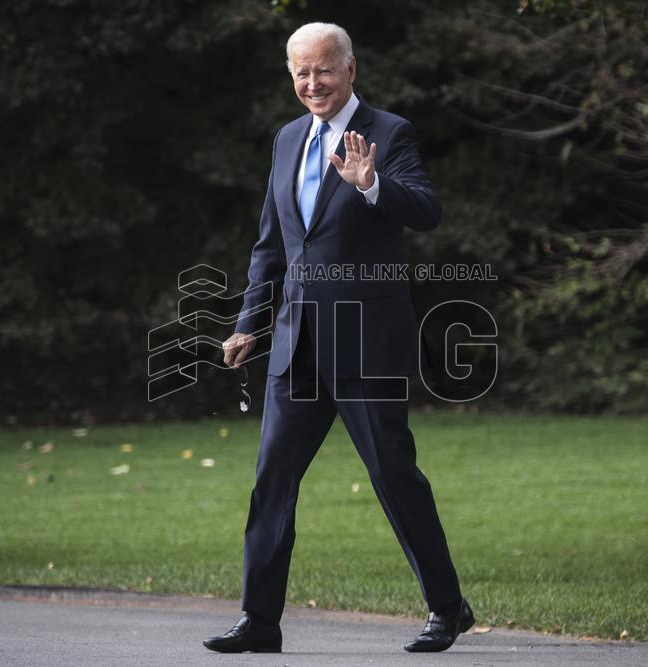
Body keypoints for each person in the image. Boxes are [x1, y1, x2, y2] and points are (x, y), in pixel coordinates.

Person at [205, 22, 472, 654]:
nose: (311, 83)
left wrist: (371, 185)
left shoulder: (390, 132)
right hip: (296, 346)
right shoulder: (288, 139)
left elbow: (427, 210)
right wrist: (249, 321)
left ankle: (446, 606)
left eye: (323, 69)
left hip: (365, 344)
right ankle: (260, 622)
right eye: (300, 71)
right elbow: (272, 245)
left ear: (351, 69)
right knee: (273, 480)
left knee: (393, 475)